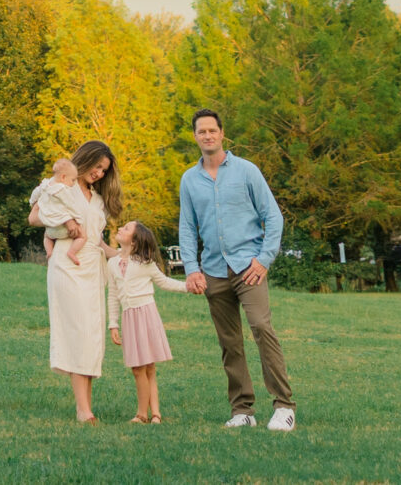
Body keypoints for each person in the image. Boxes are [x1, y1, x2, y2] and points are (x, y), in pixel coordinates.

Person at [177, 108, 296, 432]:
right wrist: (192, 269)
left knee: (261, 328)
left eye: (212, 130)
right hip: (214, 271)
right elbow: (187, 228)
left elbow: (273, 217)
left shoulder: (246, 171)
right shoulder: (189, 180)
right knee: (230, 343)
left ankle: (284, 406)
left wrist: (264, 259)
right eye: (201, 132)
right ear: (195, 137)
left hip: (249, 267)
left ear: (221, 133)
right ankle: (242, 410)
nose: (207, 136)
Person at [30, 140, 117, 422]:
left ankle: (86, 405)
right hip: (68, 263)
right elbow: (34, 217)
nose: (100, 174)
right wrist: (66, 222)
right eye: (97, 167)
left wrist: (123, 255)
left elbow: (97, 239)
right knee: (79, 332)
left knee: (92, 336)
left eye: (104, 171)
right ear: (86, 159)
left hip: (93, 266)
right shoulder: (61, 187)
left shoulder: (98, 199)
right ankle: (83, 410)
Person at [106, 220, 188, 422]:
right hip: (129, 318)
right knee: (140, 368)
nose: (119, 229)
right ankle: (152, 414)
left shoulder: (145, 263)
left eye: (125, 229)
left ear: (134, 242)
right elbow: (113, 295)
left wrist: (188, 286)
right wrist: (113, 323)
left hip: (146, 315)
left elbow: (164, 282)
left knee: (145, 367)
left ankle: (146, 414)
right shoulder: (113, 263)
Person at [28, 157, 79, 263]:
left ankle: (49, 251)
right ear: (63, 177)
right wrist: (75, 218)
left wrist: (33, 203)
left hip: (50, 229)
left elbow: (35, 193)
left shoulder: (46, 185)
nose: (74, 183)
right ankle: (72, 252)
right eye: (73, 180)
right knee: (83, 236)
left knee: (46, 236)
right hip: (64, 229)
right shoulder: (63, 190)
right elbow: (71, 205)